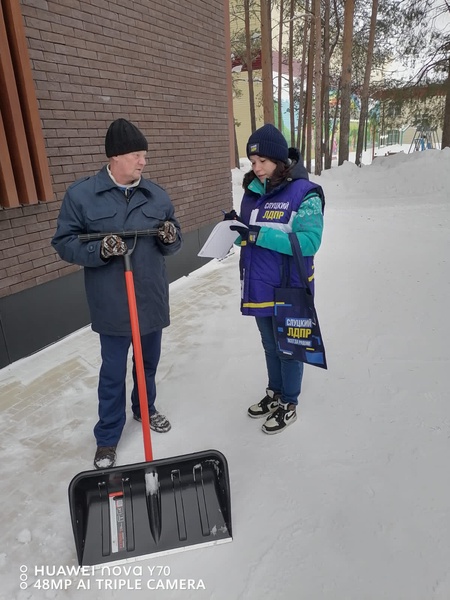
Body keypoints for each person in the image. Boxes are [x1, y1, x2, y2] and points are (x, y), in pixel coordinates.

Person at [52, 118, 182, 468]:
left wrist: (171, 236)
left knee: (148, 365)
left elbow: (174, 236)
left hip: (150, 297)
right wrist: (100, 251)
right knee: (113, 372)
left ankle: (145, 408)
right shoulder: (82, 196)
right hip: (112, 303)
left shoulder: (156, 194)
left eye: (144, 155)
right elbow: (64, 243)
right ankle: (108, 436)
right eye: (136, 155)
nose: (143, 161)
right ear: (114, 158)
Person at [225, 123, 325, 434]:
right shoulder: (253, 193)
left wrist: (257, 234)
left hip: (289, 285)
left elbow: (309, 242)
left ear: (280, 161)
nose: (256, 169)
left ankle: (289, 402)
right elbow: (250, 238)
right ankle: (275, 393)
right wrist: (236, 232)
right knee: (270, 344)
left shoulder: (305, 193)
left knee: (288, 347)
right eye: (252, 163)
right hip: (258, 283)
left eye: (262, 162)